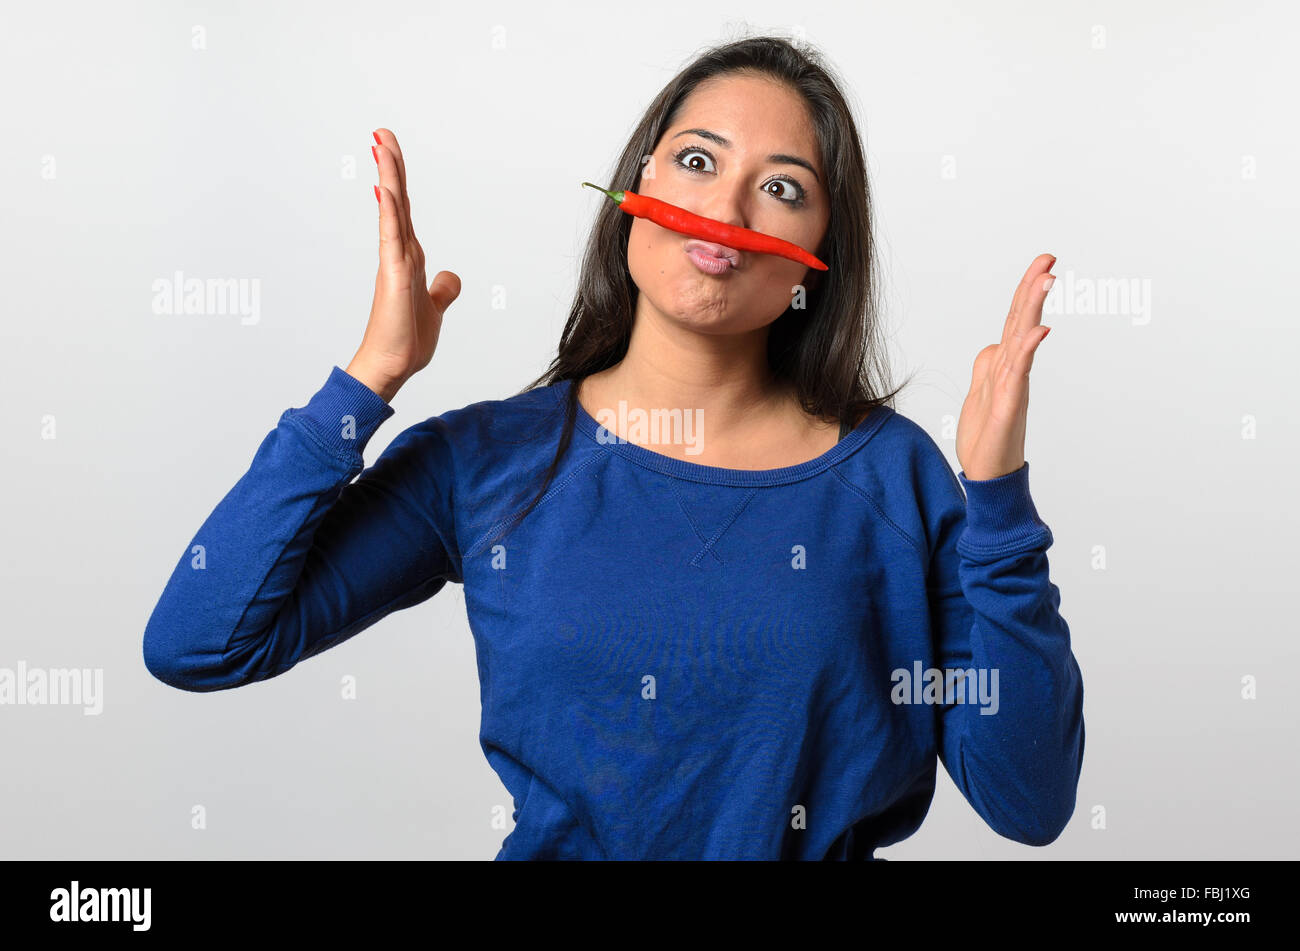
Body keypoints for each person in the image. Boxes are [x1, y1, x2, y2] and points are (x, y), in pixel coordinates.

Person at [143, 35, 1084, 860]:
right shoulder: (487, 461)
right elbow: (200, 641)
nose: (730, 210)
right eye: (698, 161)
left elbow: (1027, 801)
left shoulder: (895, 477)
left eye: (783, 187)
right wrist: (366, 382)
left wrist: (997, 500)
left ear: (822, 252)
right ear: (634, 192)